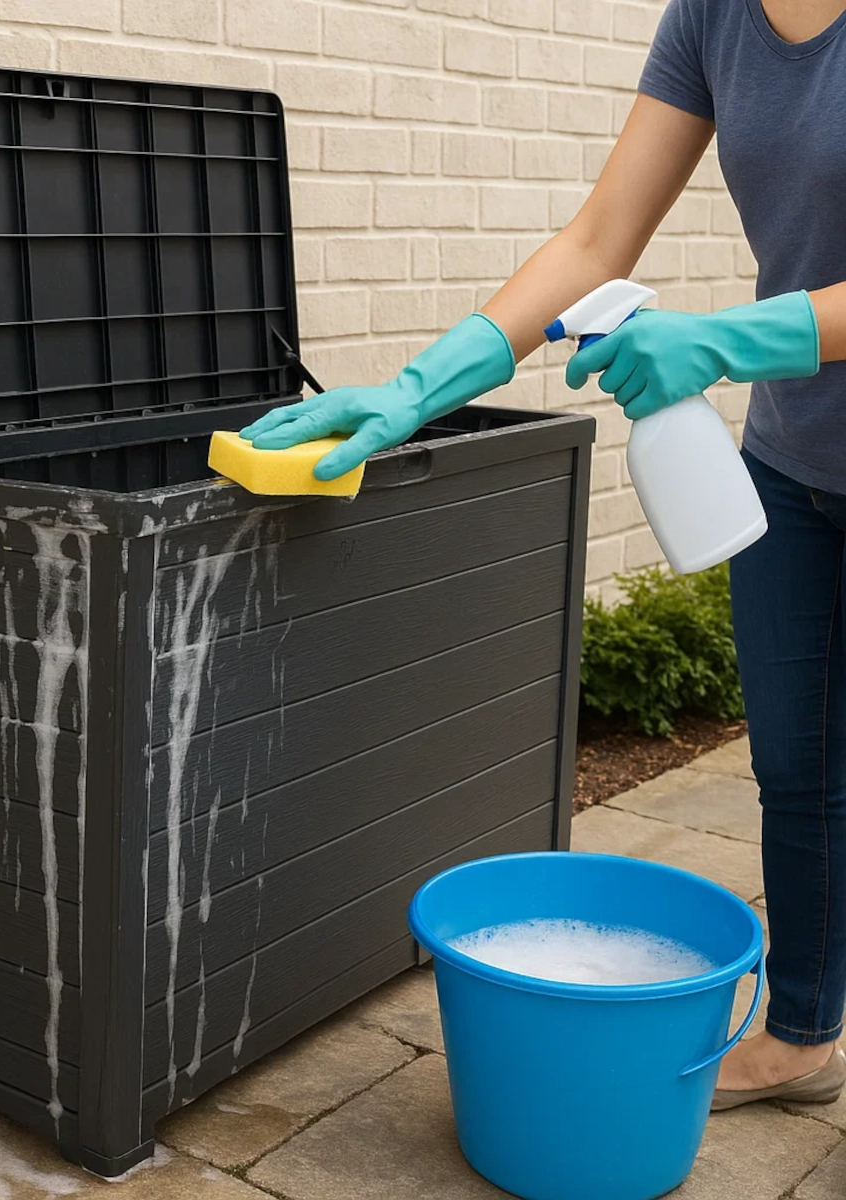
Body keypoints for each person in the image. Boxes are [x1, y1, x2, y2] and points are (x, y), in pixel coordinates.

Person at [243, 0, 846, 1110]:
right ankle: (806, 1031)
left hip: (787, 395)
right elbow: (594, 241)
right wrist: (415, 388)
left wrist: (734, 336)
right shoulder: (712, 16)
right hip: (796, 465)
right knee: (800, 771)